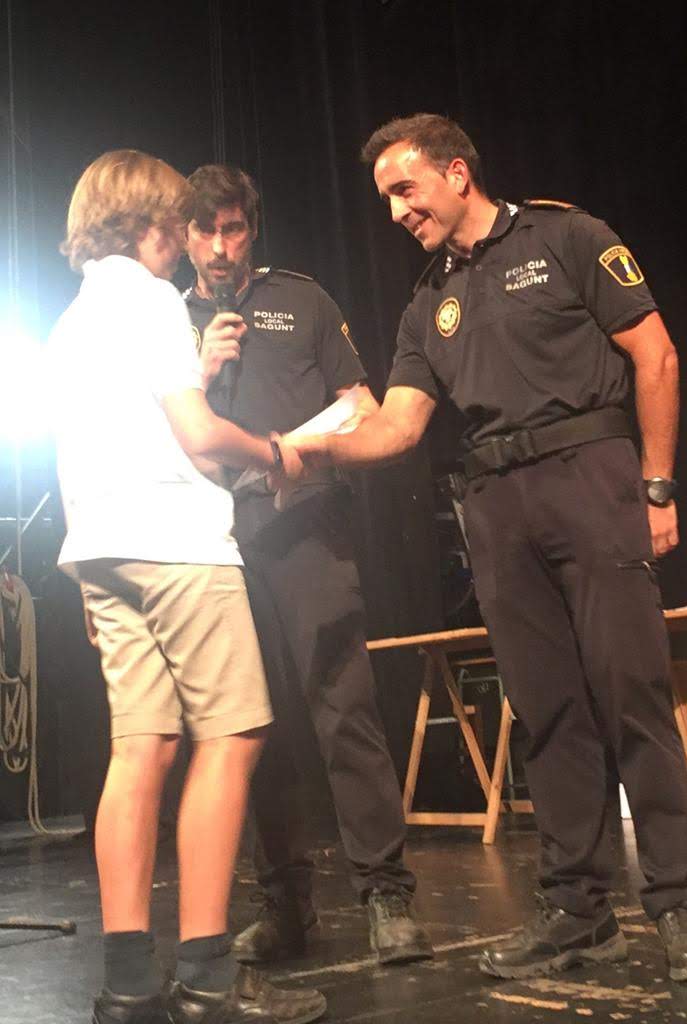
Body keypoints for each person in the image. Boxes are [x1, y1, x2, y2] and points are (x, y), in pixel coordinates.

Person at [277, 114, 687, 984]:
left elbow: (657, 356)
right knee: (546, 710)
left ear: (457, 172)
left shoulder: (568, 237)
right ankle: (579, 913)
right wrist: (301, 450)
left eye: (405, 189)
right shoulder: (426, 304)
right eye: (385, 199)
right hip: (494, 506)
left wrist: (658, 485)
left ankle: (681, 908)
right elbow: (398, 427)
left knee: (631, 694)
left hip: (591, 477)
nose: (396, 211)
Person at [49, 150, 326, 1024]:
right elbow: (199, 436)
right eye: (174, 221)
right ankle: (207, 972)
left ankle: (128, 986)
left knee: (140, 749)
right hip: (177, 544)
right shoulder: (152, 301)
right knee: (235, 734)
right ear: (145, 221)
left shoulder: (70, 322)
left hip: (100, 550)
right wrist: (277, 454)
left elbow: (89, 450)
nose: (181, 237)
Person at [182, 164, 432, 966]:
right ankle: (284, 906)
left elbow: (362, 409)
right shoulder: (166, 323)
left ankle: (386, 894)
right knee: (253, 727)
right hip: (216, 543)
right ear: (185, 236)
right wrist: (201, 369)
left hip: (308, 529)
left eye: (233, 229)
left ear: (252, 231)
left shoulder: (302, 299)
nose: (220, 247)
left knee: (343, 705)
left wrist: (306, 451)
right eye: (205, 231)